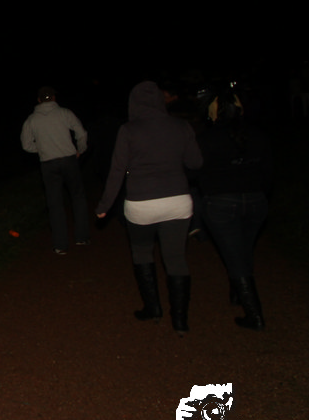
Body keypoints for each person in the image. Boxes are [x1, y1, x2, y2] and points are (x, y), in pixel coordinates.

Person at [95, 81, 204, 333]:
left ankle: (153, 308)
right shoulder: (181, 126)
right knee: (176, 258)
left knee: (142, 252)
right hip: (177, 201)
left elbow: (117, 171)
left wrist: (104, 205)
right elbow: (196, 162)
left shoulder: (128, 130)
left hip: (141, 204)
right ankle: (180, 321)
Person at [196, 87, 272, 329]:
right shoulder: (258, 134)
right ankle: (237, 294)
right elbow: (269, 171)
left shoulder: (206, 139)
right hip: (256, 201)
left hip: (221, 203)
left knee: (235, 255)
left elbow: (193, 171)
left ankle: (254, 315)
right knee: (243, 249)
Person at [20, 86, 90, 254]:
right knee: (77, 197)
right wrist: (80, 149)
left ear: (39, 100)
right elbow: (81, 133)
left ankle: (60, 245)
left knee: (55, 203)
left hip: (48, 164)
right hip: (69, 160)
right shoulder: (65, 113)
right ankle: (81, 237)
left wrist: (43, 149)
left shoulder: (31, 120)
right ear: (53, 98)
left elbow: (26, 145)